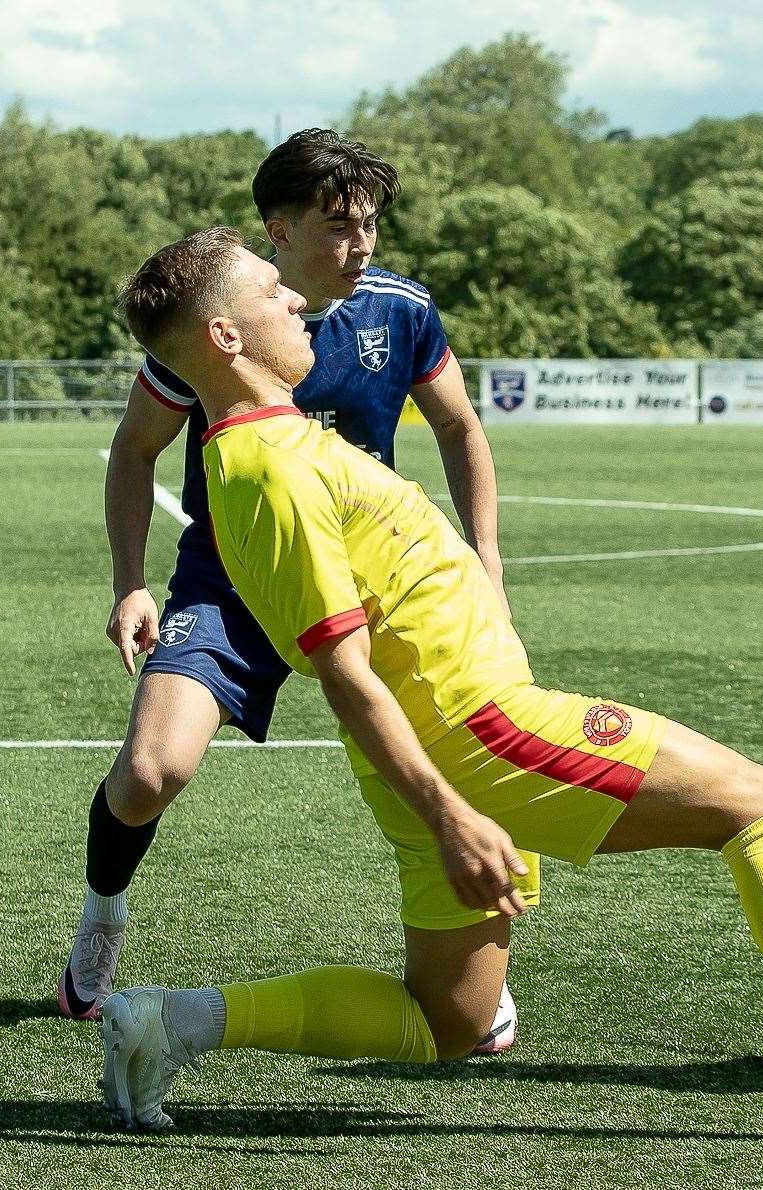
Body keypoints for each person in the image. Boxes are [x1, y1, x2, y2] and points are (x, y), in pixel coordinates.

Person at [94, 227, 763, 1144]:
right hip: (480, 733)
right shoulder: (271, 467)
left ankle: (172, 1021)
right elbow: (346, 675)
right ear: (225, 337)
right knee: (760, 805)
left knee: (445, 1020)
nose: (295, 299)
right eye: (268, 290)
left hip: (437, 749)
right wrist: (454, 812)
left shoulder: (272, 442)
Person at [60, 130, 528, 1053]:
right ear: (278, 232)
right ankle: (103, 909)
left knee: (462, 761)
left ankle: (476, 975)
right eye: (340, 226)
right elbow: (134, 449)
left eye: (372, 226)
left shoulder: (402, 310)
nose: (363, 246)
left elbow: (461, 427)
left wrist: (487, 561)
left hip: (376, 595)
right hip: (232, 582)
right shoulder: (216, 319)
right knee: (152, 772)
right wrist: (130, 581)